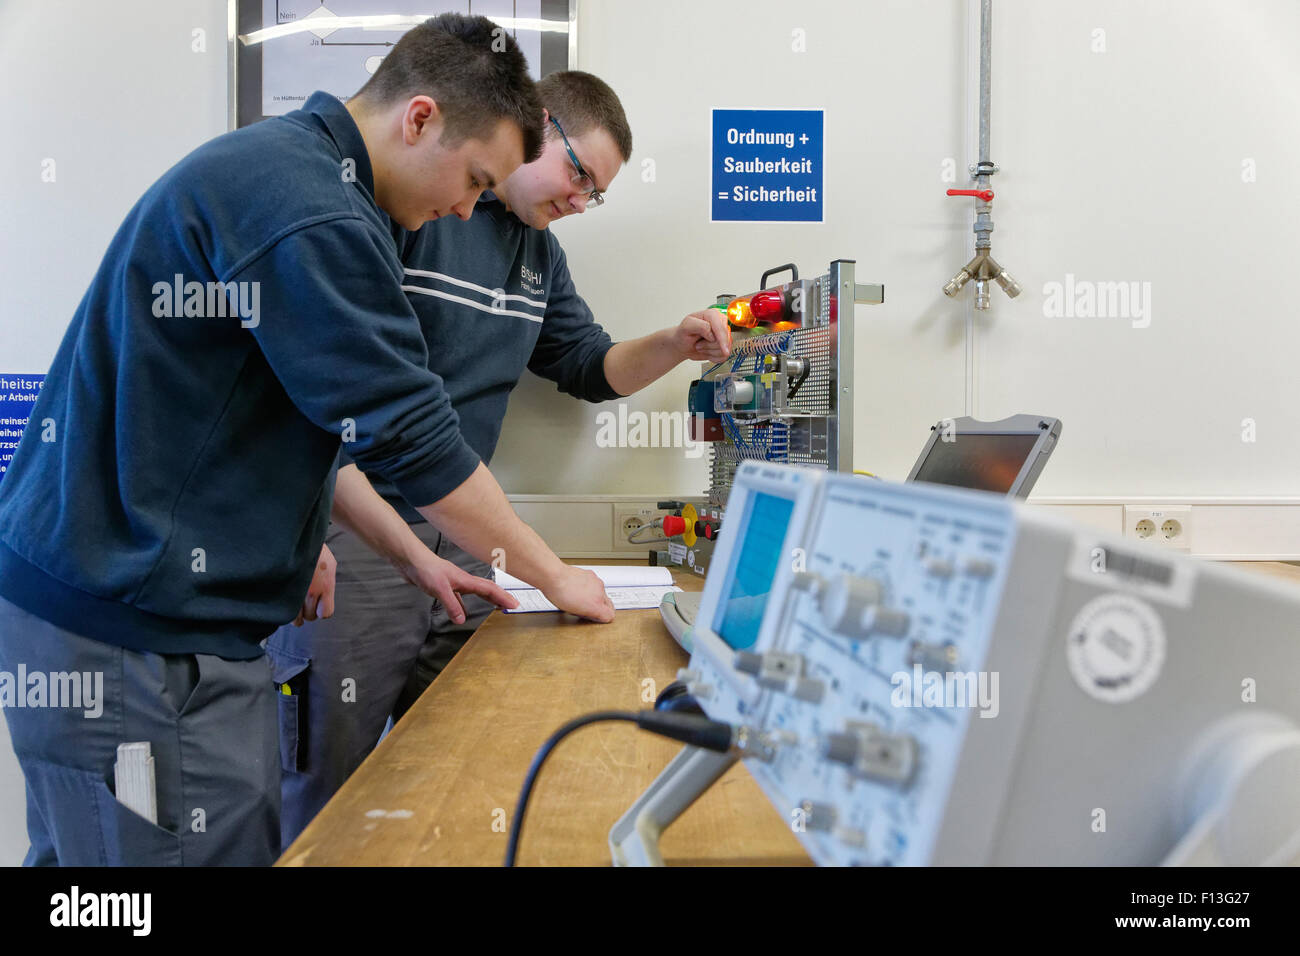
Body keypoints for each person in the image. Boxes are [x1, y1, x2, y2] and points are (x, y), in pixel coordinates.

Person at [0, 13, 605, 867]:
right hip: (138, 639)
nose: (468, 209)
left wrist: (412, 557)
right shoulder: (308, 206)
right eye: (472, 180)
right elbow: (409, 432)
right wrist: (556, 575)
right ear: (420, 117)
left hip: (93, 616)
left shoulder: (300, 175)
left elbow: (332, 423)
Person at [269, 71, 734, 847]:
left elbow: (585, 365)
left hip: (469, 533)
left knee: (463, 755)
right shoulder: (410, 206)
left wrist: (672, 344)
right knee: (327, 778)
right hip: (358, 529)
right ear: (533, 126)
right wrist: (549, 572)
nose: (580, 202)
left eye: (597, 194)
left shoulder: (537, 254)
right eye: (578, 174)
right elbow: (343, 398)